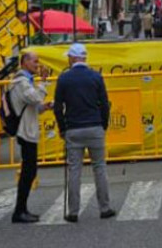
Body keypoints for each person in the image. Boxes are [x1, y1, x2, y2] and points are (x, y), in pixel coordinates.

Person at [53, 43, 115, 223]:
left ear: (72, 58)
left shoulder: (64, 79)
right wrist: (103, 124)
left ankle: (73, 211)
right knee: (99, 167)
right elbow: (104, 103)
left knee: (74, 169)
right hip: (94, 126)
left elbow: (58, 107)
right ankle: (105, 207)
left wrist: (62, 127)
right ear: (84, 58)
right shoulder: (95, 76)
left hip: (73, 128)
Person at [9, 51, 52, 224]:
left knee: (30, 171)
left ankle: (22, 209)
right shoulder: (21, 82)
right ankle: (19, 211)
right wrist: (44, 82)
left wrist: (44, 107)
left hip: (28, 130)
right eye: (35, 61)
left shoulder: (25, 81)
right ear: (25, 62)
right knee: (29, 171)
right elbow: (34, 98)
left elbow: (33, 106)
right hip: (25, 132)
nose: (37, 64)